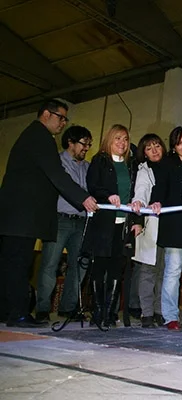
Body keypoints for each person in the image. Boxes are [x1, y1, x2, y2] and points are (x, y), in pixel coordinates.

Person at [0, 99, 97, 327]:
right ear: (46, 114)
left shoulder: (35, 137)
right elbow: (56, 174)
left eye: (65, 119)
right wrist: (82, 198)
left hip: (18, 215)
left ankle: (7, 311)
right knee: (18, 263)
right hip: (20, 215)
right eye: (60, 117)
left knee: (12, 263)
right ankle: (17, 313)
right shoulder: (39, 137)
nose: (63, 123)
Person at [35, 125, 94, 323]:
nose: (86, 148)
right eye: (84, 144)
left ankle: (68, 308)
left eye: (89, 144)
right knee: (50, 265)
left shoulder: (88, 168)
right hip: (60, 219)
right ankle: (42, 308)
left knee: (80, 266)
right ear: (70, 142)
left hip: (82, 223)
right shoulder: (57, 162)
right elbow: (68, 187)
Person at [86, 124, 140, 328]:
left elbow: (136, 193)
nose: (122, 143)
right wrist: (107, 195)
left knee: (117, 267)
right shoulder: (99, 160)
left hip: (123, 224)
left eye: (125, 139)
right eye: (117, 138)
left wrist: (137, 216)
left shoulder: (131, 165)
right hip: (103, 223)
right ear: (109, 140)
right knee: (99, 266)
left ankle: (110, 312)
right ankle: (97, 311)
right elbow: (92, 185)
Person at [150, 127, 182, 331]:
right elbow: (159, 188)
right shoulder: (168, 165)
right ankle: (170, 315)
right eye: (180, 143)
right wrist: (156, 202)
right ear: (174, 146)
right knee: (173, 271)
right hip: (174, 224)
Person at [130, 133, 167, 328]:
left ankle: (160, 311)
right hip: (150, 224)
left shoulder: (171, 165)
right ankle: (146, 313)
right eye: (149, 148)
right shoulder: (143, 170)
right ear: (143, 153)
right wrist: (139, 203)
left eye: (157, 145)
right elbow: (141, 190)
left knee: (165, 271)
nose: (154, 150)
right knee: (147, 270)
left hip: (170, 225)